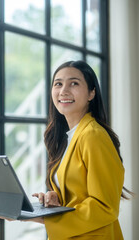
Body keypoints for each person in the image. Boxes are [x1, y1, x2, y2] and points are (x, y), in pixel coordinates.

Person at [23, 60, 130, 239]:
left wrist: (44, 218)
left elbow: (104, 206)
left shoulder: (93, 135)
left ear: (91, 93)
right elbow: (79, 193)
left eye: (74, 83)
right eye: (58, 84)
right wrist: (56, 201)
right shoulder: (68, 137)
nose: (63, 91)